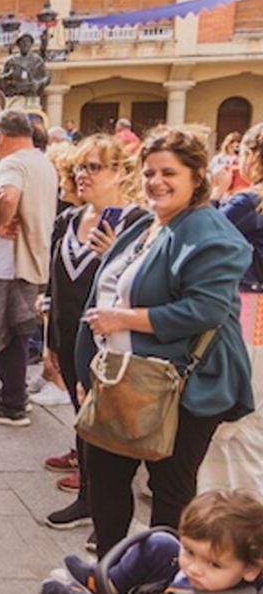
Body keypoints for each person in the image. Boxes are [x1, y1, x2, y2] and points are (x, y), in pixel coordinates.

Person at [76, 128, 253, 557]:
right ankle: (112, 572)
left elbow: (204, 311)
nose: (156, 181)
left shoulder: (213, 234)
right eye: (150, 171)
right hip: (125, 379)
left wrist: (124, 318)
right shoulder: (149, 224)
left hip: (183, 387)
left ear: (197, 177)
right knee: (105, 476)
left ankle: (157, 587)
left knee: (169, 490)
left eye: (169, 173)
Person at [41, 135, 145, 532]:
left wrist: (115, 256)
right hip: (69, 336)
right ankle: (89, 499)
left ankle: (111, 517)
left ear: (120, 172)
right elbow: (54, 286)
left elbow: (139, 284)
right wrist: (50, 341)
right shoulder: (68, 219)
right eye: (80, 167)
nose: (83, 175)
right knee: (81, 420)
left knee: (107, 433)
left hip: (110, 345)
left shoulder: (136, 223)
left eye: (94, 167)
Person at [38, 490, 263, 594]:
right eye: (190, 551)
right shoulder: (212, 574)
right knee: (160, 543)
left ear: (250, 570)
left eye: (214, 564)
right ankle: (106, 583)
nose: (194, 568)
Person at [0, 110, 59, 427]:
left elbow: (8, 196)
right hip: (18, 261)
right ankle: (12, 389)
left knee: (6, 331)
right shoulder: (39, 160)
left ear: (1, 136)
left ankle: (13, 403)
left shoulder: (14, 163)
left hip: (7, 263)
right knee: (14, 330)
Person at [200, 123, 263, 496]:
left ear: (253, 155)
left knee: (236, 421)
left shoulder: (247, 203)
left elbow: (204, 236)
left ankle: (237, 508)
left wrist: (217, 192)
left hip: (247, 314)